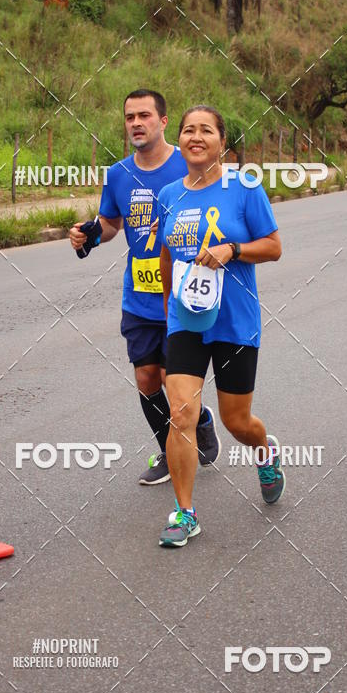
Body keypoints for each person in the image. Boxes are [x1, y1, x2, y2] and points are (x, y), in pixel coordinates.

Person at [69, 89, 220, 484]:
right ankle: (167, 452)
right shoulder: (118, 174)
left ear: (163, 121)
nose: (136, 123)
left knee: (175, 384)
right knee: (146, 379)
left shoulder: (188, 165)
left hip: (181, 296)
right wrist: (89, 234)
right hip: (138, 297)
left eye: (145, 116)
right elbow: (111, 224)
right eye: (130, 117)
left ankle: (198, 421)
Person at [156, 105, 283, 548]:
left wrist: (232, 249)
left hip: (234, 321)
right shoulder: (170, 193)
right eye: (188, 130)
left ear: (221, 141)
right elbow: (167, 254)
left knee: (237, 421)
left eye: (205, 130)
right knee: (181, 413)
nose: (196, 137)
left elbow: (273, 247)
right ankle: (185, 512)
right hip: (185, 320)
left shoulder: (244, 188)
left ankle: (264, 451)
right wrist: (167, 306)